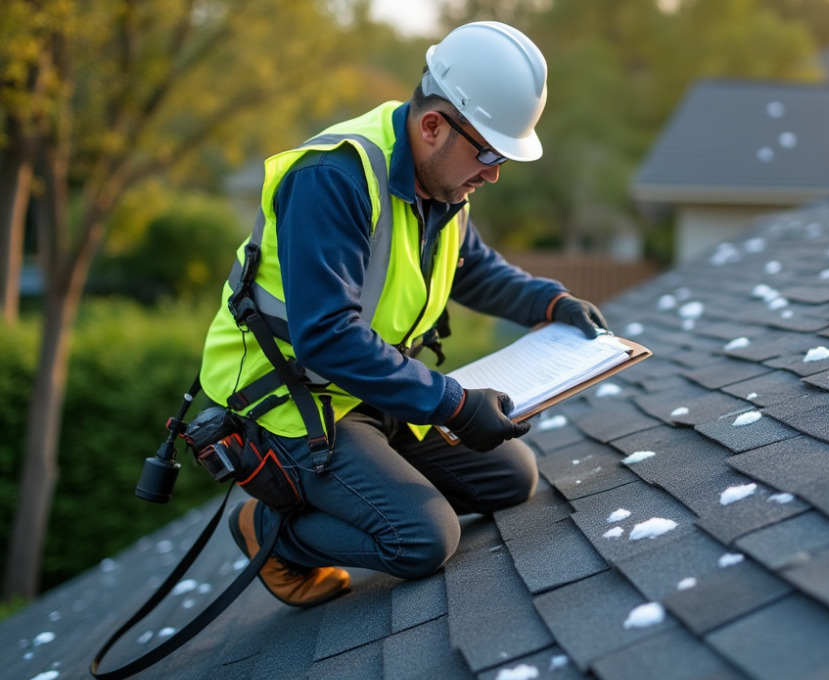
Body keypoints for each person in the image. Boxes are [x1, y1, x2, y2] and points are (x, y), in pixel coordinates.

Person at [198, 21, 607, 608]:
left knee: (511, 478)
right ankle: (266, 533)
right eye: (488, 152)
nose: (493, 173)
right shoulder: (332, 178)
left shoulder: (443, 183)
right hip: (294, 401)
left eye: (503, 159)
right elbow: (326, 338)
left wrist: (551, 302)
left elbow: (475, 269)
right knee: (421, 539)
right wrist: (455, 406)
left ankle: (361, 474)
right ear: (434, 125)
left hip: (370, 389)